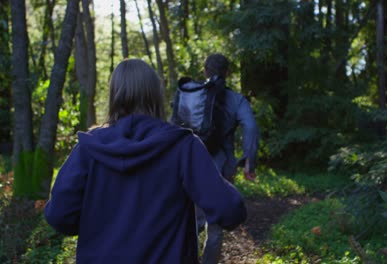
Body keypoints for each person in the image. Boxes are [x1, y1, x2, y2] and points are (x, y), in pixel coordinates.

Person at [44, 59, 246, 264]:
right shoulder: (182, 147)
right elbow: (229, 211)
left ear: (114, 95)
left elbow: (60, 217)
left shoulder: (88, 149)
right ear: (156, 95)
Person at [173, 53, 259, 264]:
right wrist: (249, 160)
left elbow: (173, 125)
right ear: (227, 73)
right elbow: (251, 126)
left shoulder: (193, 96)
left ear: (204, 71)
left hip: (191, 164)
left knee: (191, 219)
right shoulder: (237, 100)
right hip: (222, 167)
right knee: (215, 225)